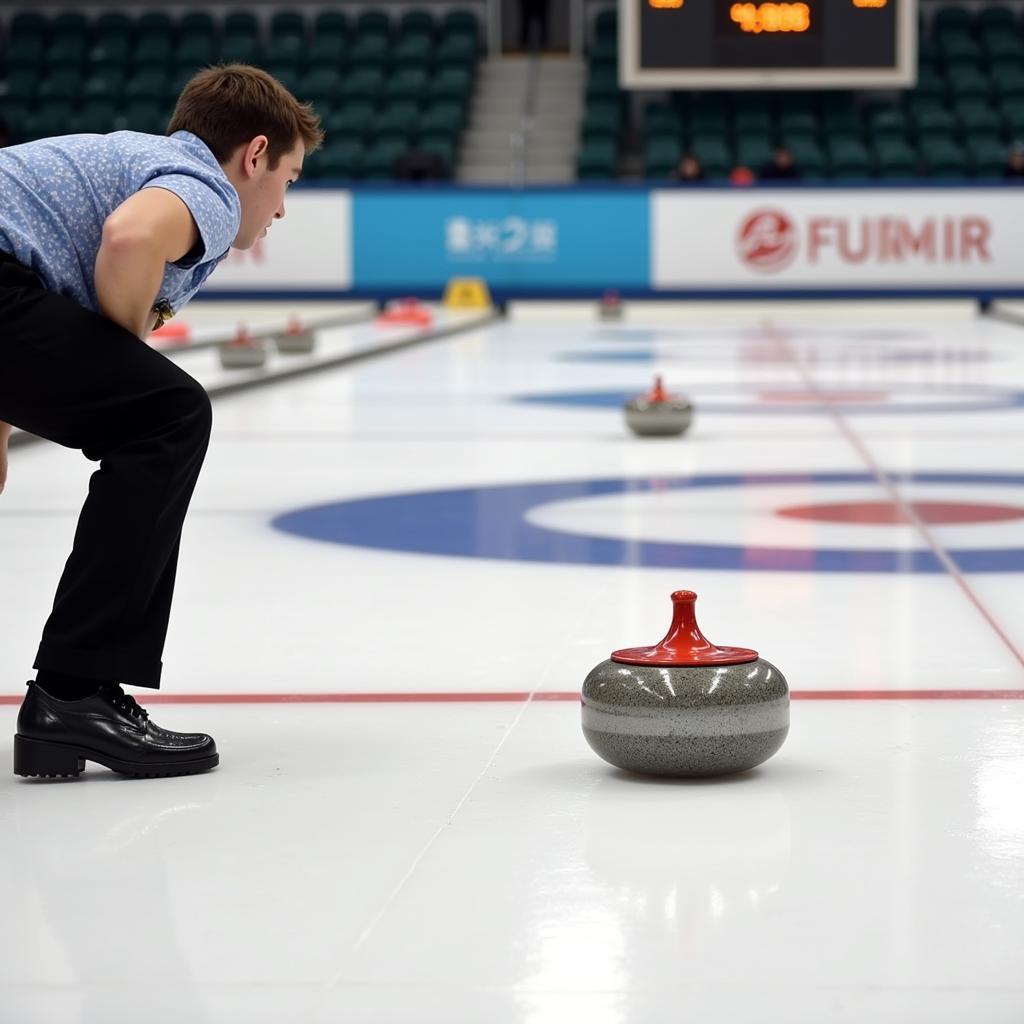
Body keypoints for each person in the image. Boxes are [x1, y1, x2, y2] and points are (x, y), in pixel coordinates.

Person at [0, 65, 322, 780]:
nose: (282, 208)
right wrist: (123, 364)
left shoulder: (142, 160)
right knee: (166, 414)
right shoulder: (203, 185)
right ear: (256, 155)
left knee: (151, 409)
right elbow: (129, 238)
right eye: (290, 180)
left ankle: (73, 698)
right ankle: (75, 693)